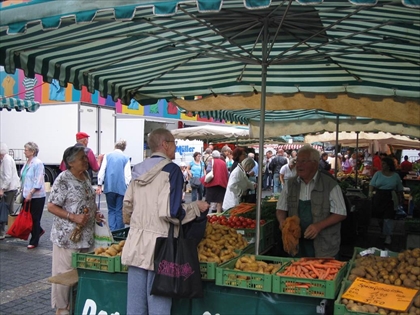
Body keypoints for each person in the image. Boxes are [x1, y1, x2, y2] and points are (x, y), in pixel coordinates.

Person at [121, 128, 209, 315]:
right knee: (159, 302)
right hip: (161, 246)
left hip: (136, 242)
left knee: (135, 304)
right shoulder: (172, 170)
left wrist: (137, 223)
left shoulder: (137, 169)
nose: (175, 147)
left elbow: (127, 206)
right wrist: (195, 207)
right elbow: (171, 211)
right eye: (174, 143)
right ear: (165, 144)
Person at [48, 146, 103, 315]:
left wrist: (95, 214)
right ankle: (62, 309)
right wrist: (73, 217)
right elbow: (51, 206)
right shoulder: (63, 179)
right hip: (67, 237)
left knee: (80, 274)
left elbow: (88, 200)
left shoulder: (85, 176)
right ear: (71, 162)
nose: (86, 161)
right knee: (64, 276)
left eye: (85, 158)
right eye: (82, 158)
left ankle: (77, 304)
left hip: (86, 236)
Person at [276, 145, 347, 258]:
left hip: (323, 245)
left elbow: (341, 212)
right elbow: (281, 208)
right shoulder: (290, 184)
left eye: (303, 161)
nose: (298, 165)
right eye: (297, 161)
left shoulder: (330, 184)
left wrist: (319, 226)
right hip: (297, 245)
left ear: (315, 163)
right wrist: (282, 222)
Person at [95, 140, 131, 231]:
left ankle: (112, 231)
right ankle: (119, 232)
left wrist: (99, 184)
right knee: (119, 211)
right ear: (124, 148)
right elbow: (127, 176)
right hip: (121, 188)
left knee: (111, 210)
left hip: (109, 187)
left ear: (115, 146)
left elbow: (102, 171)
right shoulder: (126, 158)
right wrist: (127, 187)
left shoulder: (108, 156)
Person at [369, 156, 404, 245]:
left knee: (388, 217)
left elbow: (399, 189)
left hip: (390, 197)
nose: (382, 165)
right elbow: (372, 184)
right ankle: (383, 231)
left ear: (388, 165)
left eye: (383, 164)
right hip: (379, 196)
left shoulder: (395, 176)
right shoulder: (378, 174)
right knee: (379, 217)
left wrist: (401, 199)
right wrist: (370, 193)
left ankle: (388, 235)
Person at [21, 142, 46, 249]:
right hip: (26, 193)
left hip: (36, 196)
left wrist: (31, 193)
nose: (24, 151)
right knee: (28, 217)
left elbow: (38, 181)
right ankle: (39, 231)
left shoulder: (38, 163)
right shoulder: (27, 162)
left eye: (26, 150)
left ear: (32, 151)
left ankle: (34, 241)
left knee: (35, 218)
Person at [0, 143, 20, 240]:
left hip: (9, 189)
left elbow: (7, 177)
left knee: (4, 210)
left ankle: (3, 232)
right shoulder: (6, 159)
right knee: (9, 210)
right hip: (11, 188)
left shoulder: (6, 160)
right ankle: (12, 230)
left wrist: (2, 189)